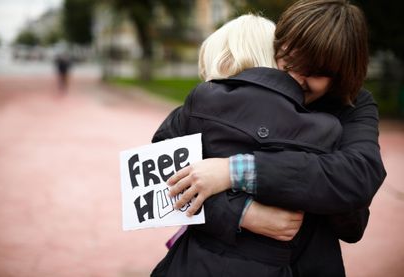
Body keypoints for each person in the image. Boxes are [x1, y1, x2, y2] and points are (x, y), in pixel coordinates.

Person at [162, 1, 387, 276]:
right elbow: (163, 178)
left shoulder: (354, 107)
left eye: (315, 73)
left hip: (307, 261)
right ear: (277, 46)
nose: (295, 78)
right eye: (289, 63)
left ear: (342, 76)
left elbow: (357, 179)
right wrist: (242, 213)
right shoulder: (236, 94)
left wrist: (235, 171)